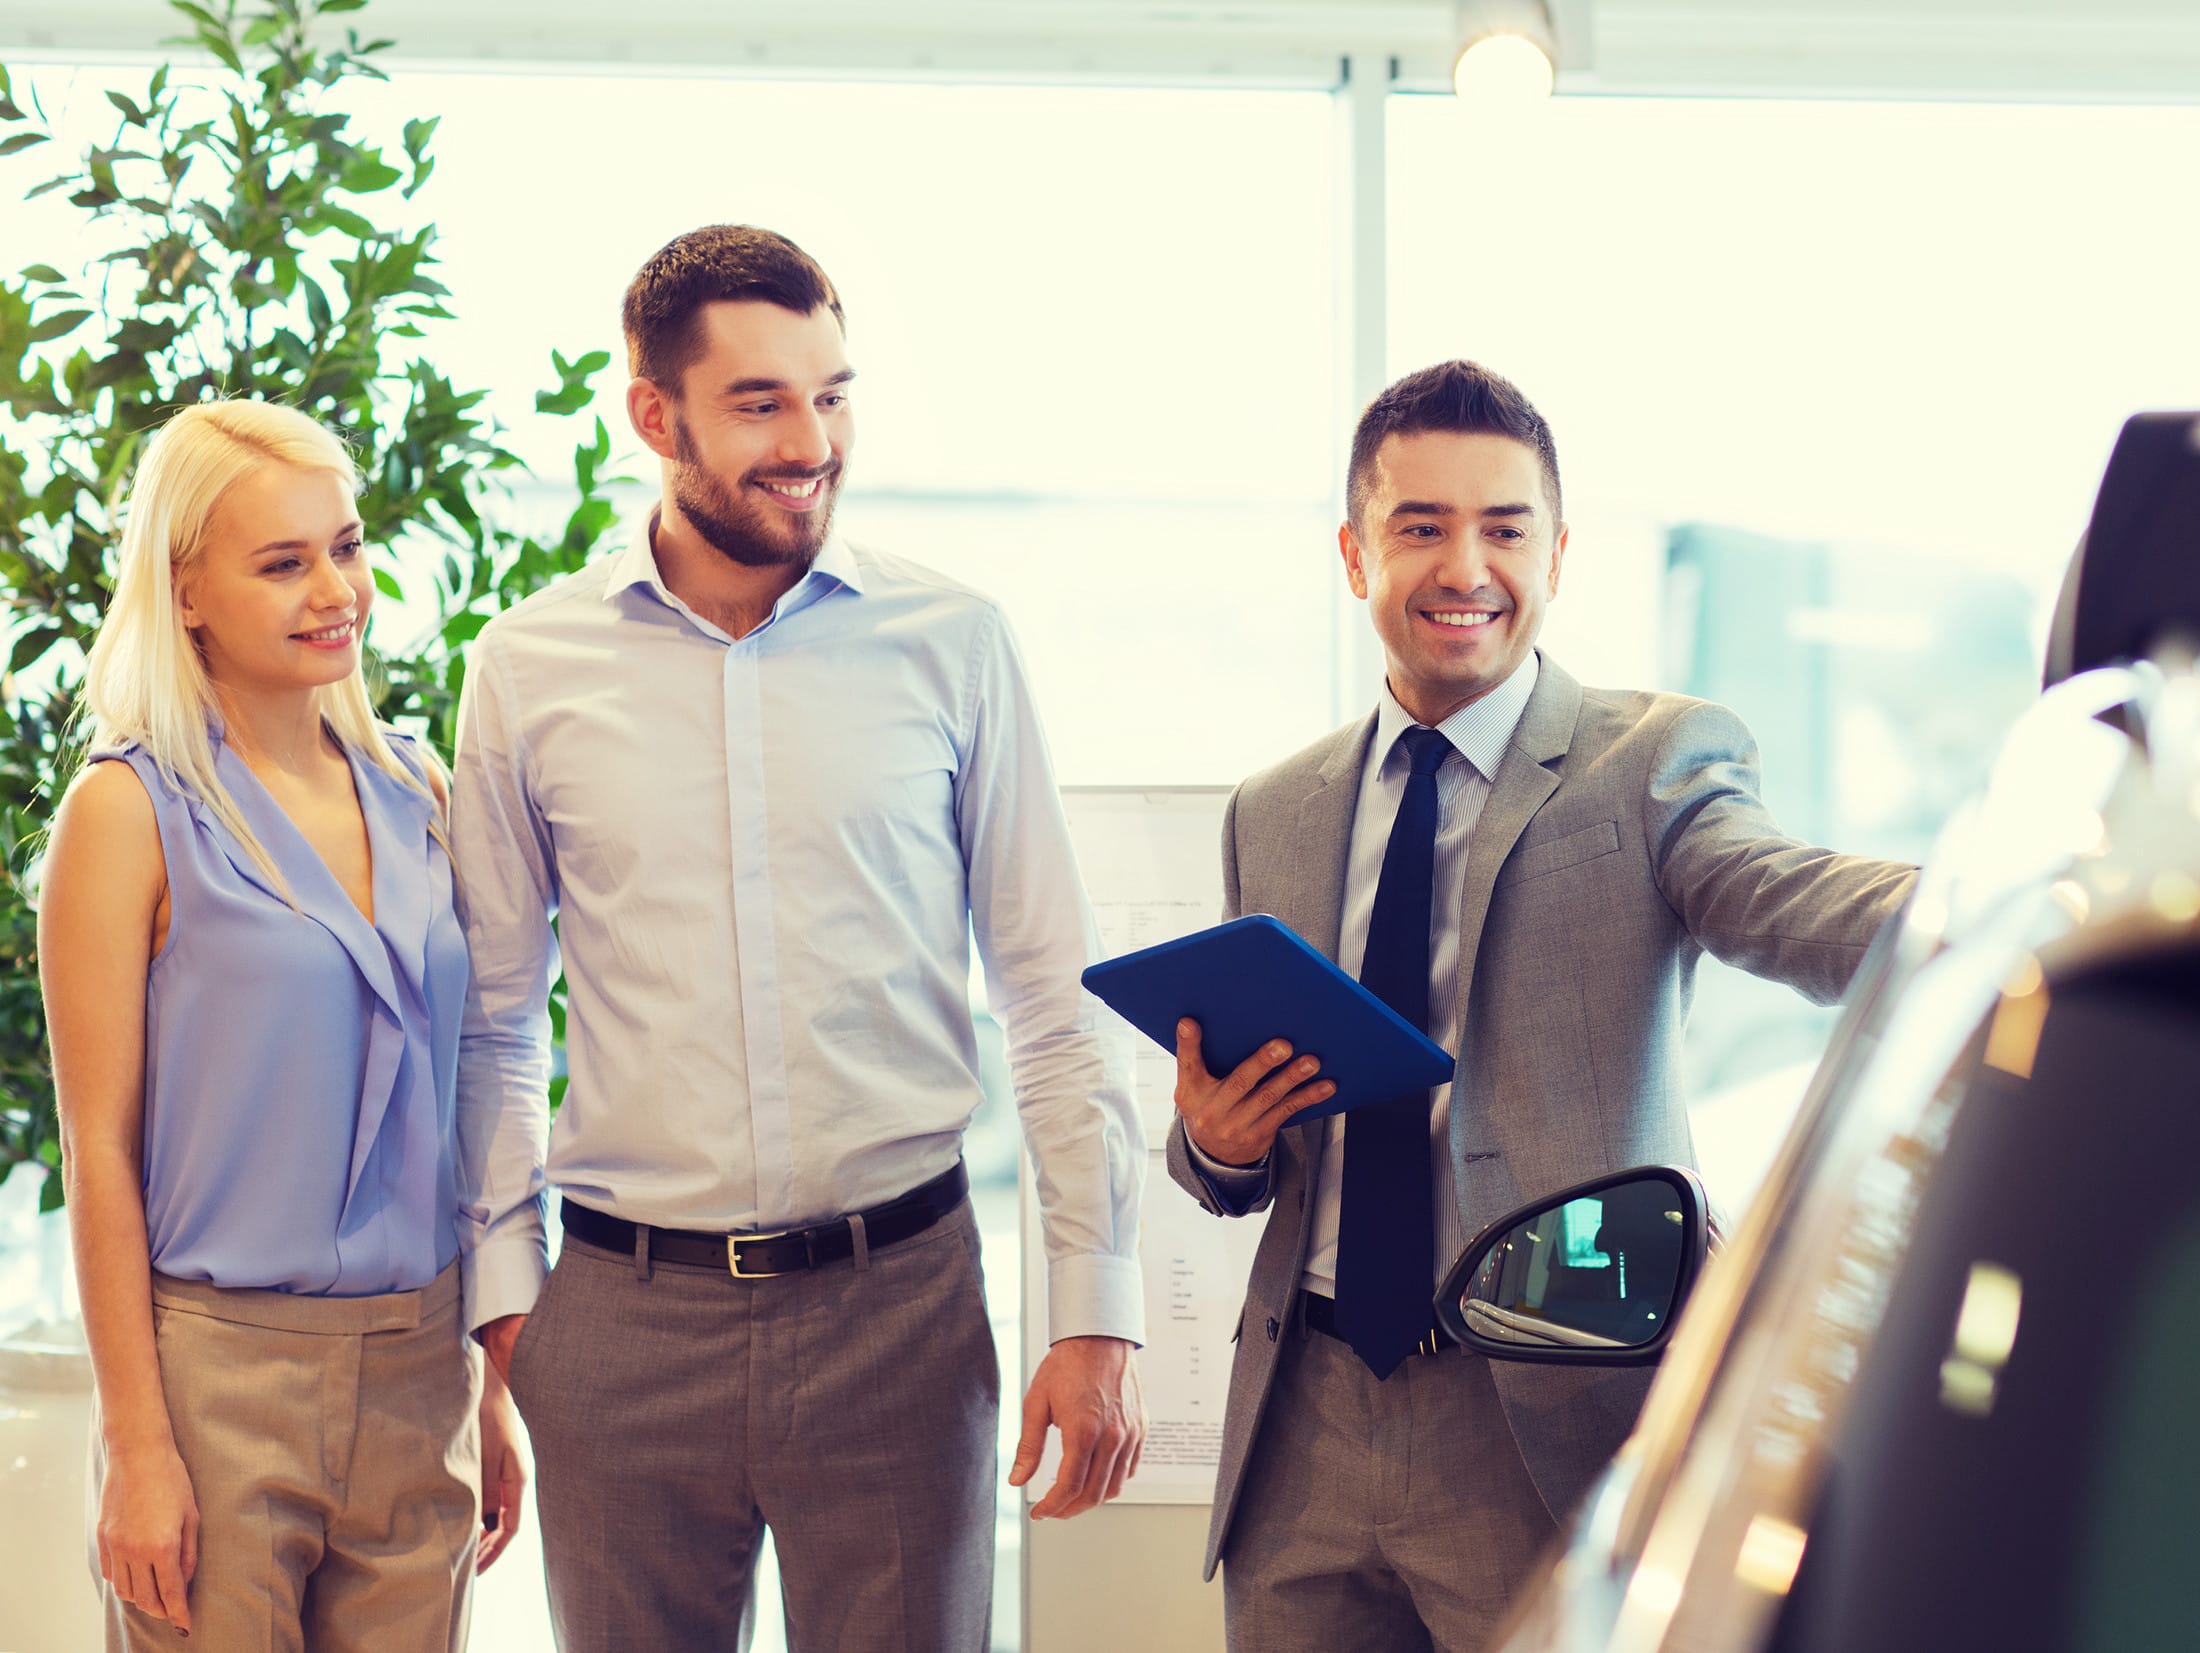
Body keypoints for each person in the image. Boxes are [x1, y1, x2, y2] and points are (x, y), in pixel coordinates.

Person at [451, 223, 1147, 1652]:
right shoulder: (526, 670)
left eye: (832, 394)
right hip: (624, 1321)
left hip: (901, 1317)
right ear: (654, 415)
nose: (810, 439)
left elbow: (1050, 998)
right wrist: (509, 1305)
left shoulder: (953, 643)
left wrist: (1095, 1308)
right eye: (760, 400)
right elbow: (493, 1024)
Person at [1166, 360, 1917, 1652]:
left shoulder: (1652, 766)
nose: (1465, 566)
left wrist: (2016, 900)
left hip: (1544, 1412)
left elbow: (1783, 898)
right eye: (1420, 527)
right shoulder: (1273, 810)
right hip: (1310, 1423)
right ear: (1355, 556)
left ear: (1557, 555)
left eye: (1503, 528)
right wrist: (1215, 1146)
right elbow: (1253, 1153)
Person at [40, 399, 523, 1650]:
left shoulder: (417, 784)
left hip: (426, 1366)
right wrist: (136, 1448)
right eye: (283, 562)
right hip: (217, 1382)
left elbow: (465, 1092)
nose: (336, 591)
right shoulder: (125, 812)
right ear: (186, 588)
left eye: (348, 547)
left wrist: (493, 1390)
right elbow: (100, 1154)